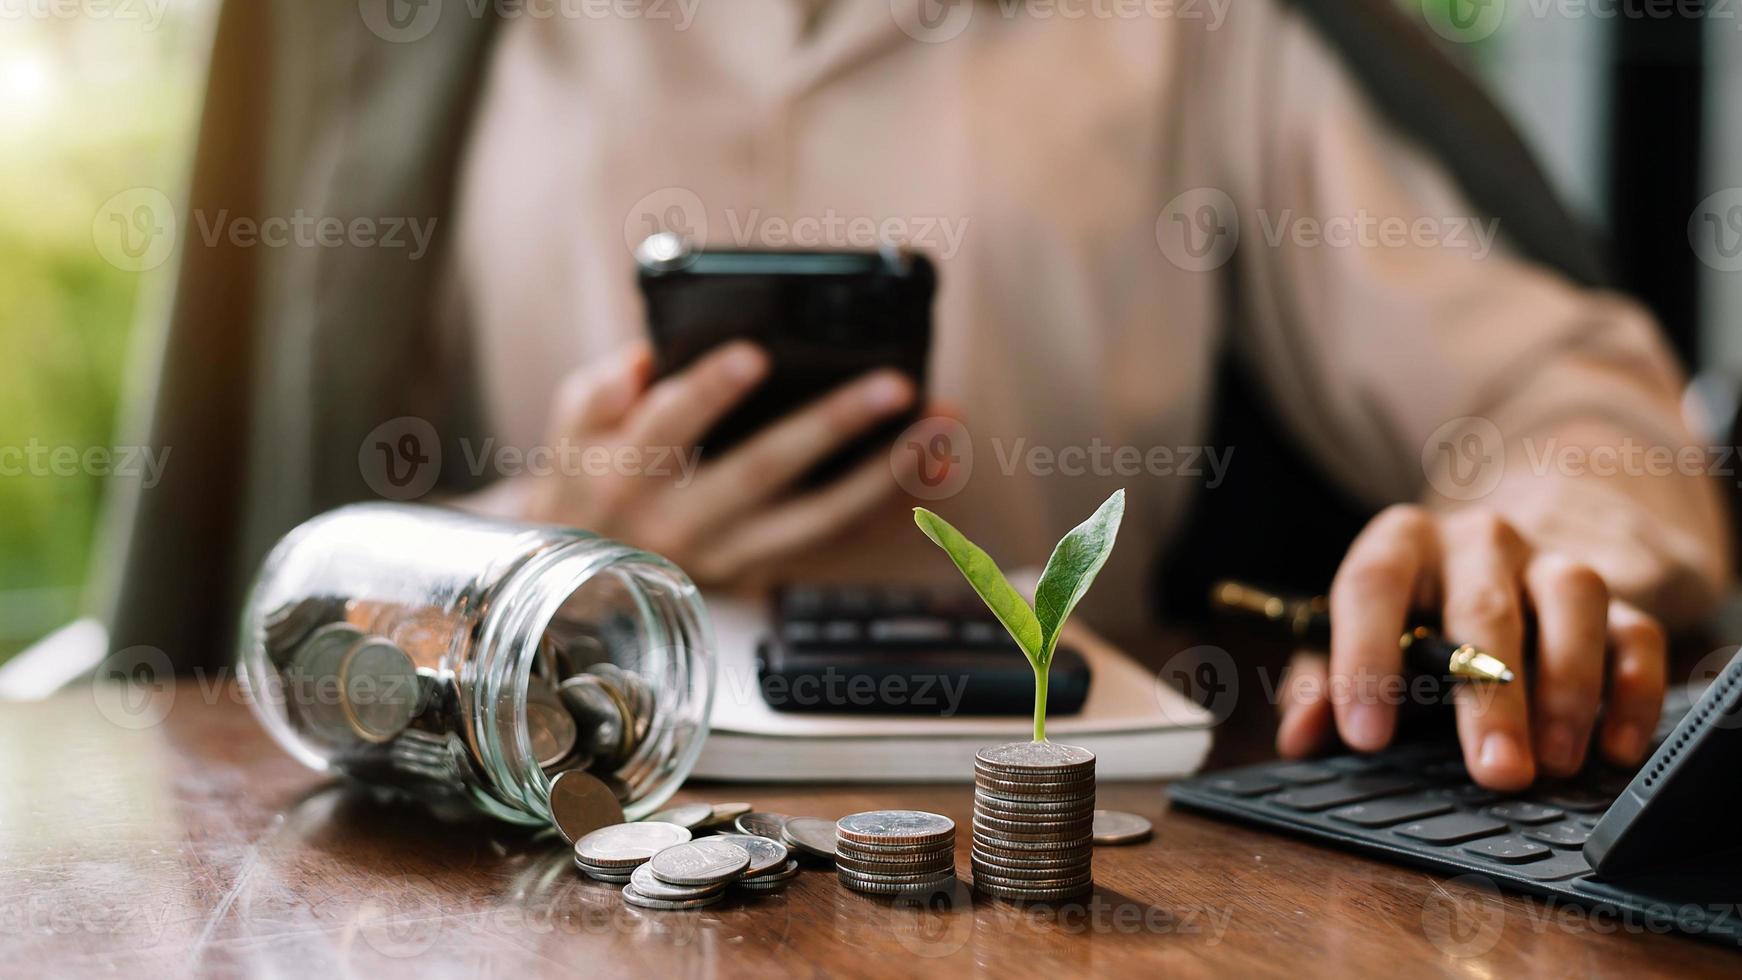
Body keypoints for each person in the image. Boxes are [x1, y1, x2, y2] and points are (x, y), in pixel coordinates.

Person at [100, 0, 1730, 793]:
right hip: (551, 837)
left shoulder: (1194, 26)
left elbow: (1559, 394)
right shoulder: (385, 32)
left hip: (1088, 843)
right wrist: (545, 543)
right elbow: (289, 535)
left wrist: (1530, 545)